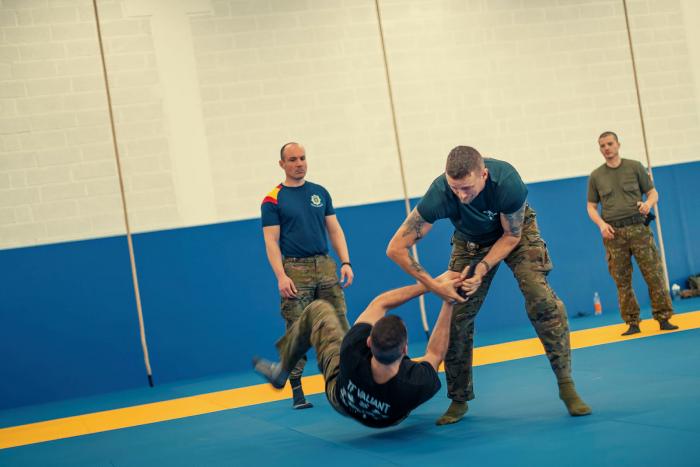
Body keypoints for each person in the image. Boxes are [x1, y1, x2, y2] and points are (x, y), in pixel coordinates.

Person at [386, 145, 592, 426]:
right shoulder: (440, 193)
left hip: (515, 233)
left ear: (483, 174)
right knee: (456, 314)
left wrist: (482, 268)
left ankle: (566, 384)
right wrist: (434, 286)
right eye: (455, 188)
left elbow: (511, 236)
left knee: (540, 298)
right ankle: (458, 399)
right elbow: (396, 248)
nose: (461, 195)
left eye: (467, 188)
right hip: (469, 241)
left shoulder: (508, 183)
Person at [253, 272, 462, 428]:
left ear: (369, 343)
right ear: (405, 349)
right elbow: (435, 353)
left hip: (341, 398)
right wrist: (449, 301)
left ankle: (283, 370)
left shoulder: (352, 350)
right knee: (416, 382)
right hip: (389, 417)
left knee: (319, 309)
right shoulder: (416, 382)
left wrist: (433, 285)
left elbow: (380, 303)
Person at [260, 142, 354, 409]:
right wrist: (281, 275)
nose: (299, 163)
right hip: (294, 270)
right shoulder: (272, 199)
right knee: (297, 327)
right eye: (292, 159)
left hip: (325, 266)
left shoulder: (319, 192)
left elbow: (334, 230)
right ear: (282, 164)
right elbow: (271, 241)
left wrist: (345, 261)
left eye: (302, 158)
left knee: (339, 322)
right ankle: (297, 390)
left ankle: (347, 381)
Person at [587, 131, 678, 336]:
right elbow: (591, 206)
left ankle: (663, 317)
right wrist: (601, 224)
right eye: (602, 145)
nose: (606, 148)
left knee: (654, 274)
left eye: (610, 144)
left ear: (618, 144)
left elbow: (653, 192)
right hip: (613, 233)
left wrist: (648, 204)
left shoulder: (634, 166)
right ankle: (632, 322)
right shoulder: (596, 176)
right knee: (622, 279)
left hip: (638, 228)